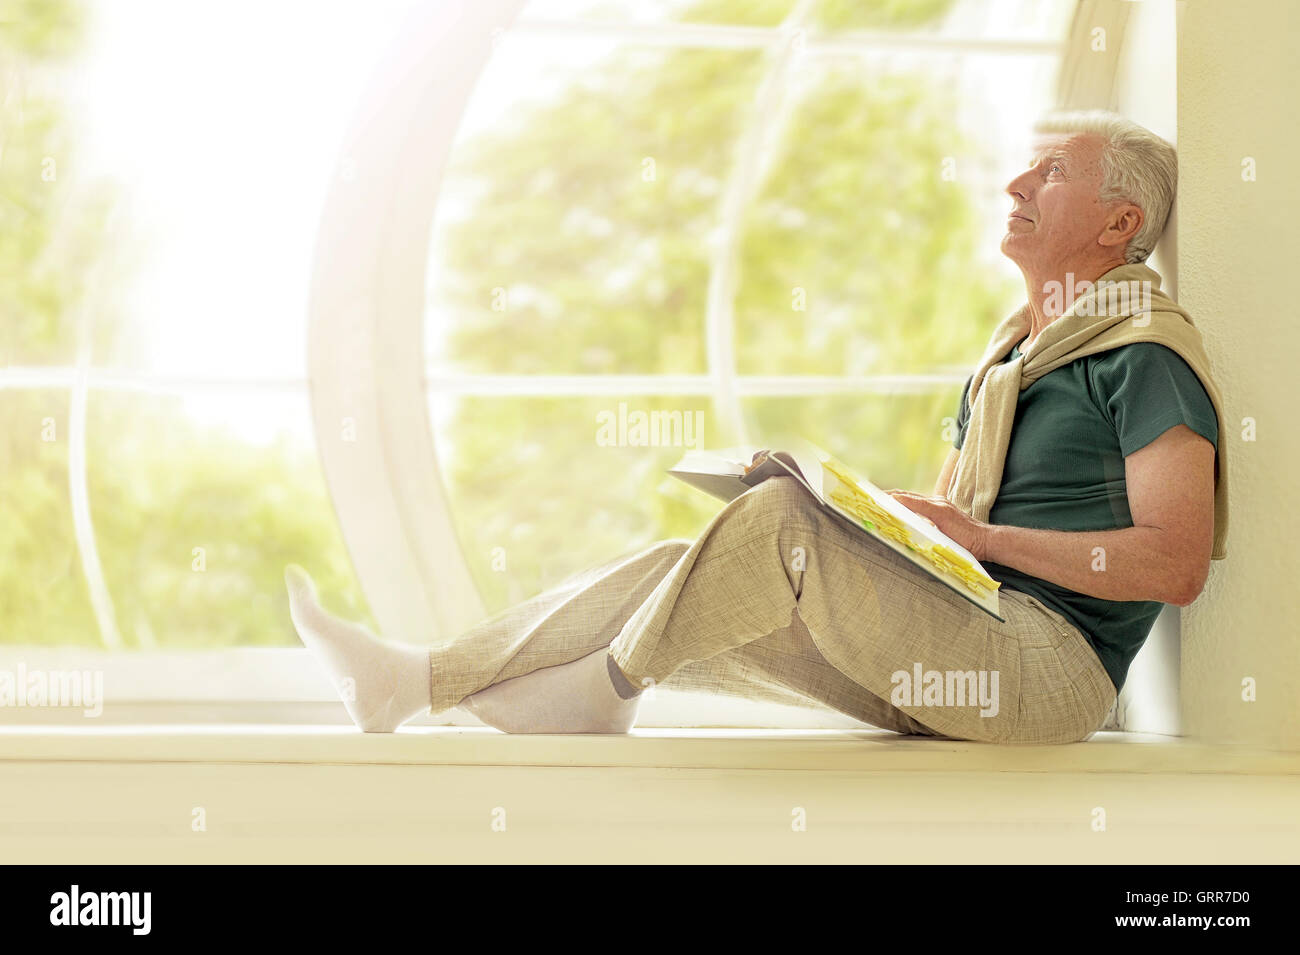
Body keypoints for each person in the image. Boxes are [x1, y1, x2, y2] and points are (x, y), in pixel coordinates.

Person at [285, 109, 1227, 744]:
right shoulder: (1010, 358)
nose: (1017, 181)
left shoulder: (1142, 355)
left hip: (1047, 671)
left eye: (1053, 171)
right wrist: (880, 519)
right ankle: (414, 682)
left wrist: (973, 536)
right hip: (967, 636)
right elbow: (955, 524)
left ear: (1120, 224)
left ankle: (605, 690)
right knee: (684, 565)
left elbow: (1175, 561)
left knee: (779, 530)